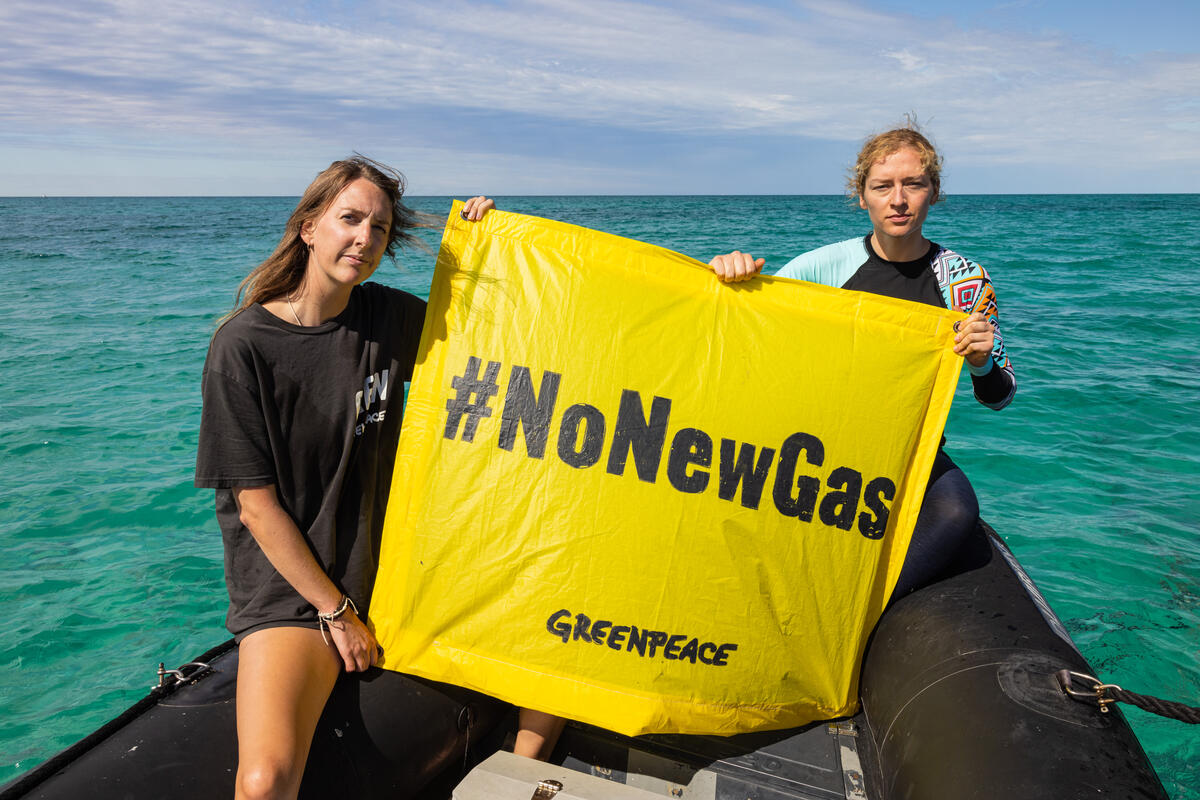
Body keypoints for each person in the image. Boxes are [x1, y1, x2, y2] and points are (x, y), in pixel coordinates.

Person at [194, 155, 495, 800]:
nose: (364, 239)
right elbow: (255, 506)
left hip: (391, 575)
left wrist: (486, 249)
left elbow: (505, 341)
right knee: (265, 778)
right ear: (309, 227)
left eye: (380, 228)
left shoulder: (385, 318)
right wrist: (338, 611)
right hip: (295, 593)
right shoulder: (242, 347)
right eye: (349, 219)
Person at [708, 125, 1016, 597]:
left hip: (908, 452)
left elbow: (1000, 396)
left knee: (956, 512)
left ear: (933, 192)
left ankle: (862, 611)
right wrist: (731, 278)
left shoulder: (963, 280)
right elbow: (750, 335)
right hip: (821, 445)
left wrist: (979, 361)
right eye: (882, 186)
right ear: (861, 197)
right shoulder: (822, 269)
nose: (899, 199)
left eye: (913, 184)